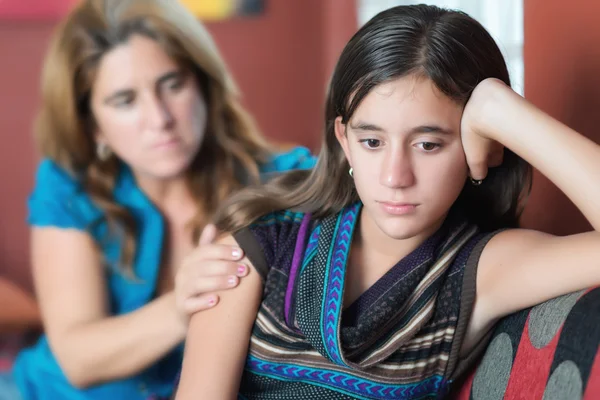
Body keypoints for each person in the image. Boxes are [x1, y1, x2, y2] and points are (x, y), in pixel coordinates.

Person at [174, 4, 600, 399]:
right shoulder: (264, 245)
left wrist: (502, 112)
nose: (396, 177)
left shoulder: (479, 270)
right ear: (344, 140)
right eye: (372, 141)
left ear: (481, 150)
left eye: (429, 144)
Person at [8, 0, 314, 399]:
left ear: (204, 85)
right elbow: (77, 359)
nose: (160, 119)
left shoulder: (282, 180)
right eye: (125, 100)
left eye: (173, 84)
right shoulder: (68, 183)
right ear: (93, 126)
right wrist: (181, 306)